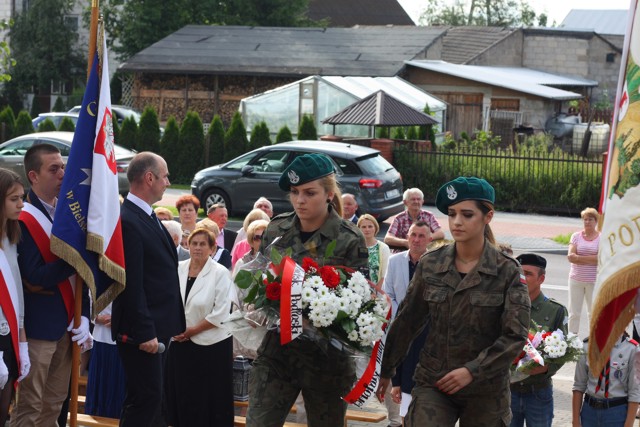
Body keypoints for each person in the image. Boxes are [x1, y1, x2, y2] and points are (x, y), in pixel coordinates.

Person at [376, 176, 530, 426]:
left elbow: (514, 336)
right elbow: (406, 321)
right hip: (434, 380)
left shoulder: (507, 271)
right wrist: (387, 370)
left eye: (467, 214)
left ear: (487, 216)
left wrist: (473, 370)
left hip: (486, 388)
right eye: (452, 213)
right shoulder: (431, 264)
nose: (457, 222)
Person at [246, 153, 368, 427]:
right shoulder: (276, 229)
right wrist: (260, 306)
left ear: (328, 194)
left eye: (309, 193)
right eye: (295, 192)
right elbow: (261, 278)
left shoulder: (349, 239)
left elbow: (361, 304)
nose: (300, 200)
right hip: (278, 355)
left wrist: (315, 321)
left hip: (327, 363)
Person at [12, 144, 92, 427]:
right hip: (38, 330)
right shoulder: (23, 217)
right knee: (30, 408)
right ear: (33, 176)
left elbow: (83, 276)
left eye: (63, 167)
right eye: (53, 169)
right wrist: (76, 258)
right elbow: (34, 276)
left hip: (69, 326)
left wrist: (85, 315)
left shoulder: (71, 214)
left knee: (54, 406)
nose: (62, 174)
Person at [112, 152, 186, 426]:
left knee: (154, 401)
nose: (168, 182)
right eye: (165, 176)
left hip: (158, 328)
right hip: (143, 333)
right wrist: (144, 332)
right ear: (149, 177)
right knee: (145, 400)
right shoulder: (129, 220)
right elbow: (132, 283)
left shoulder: (146, 216)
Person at [166, 227, 234, 426]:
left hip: (211, 345)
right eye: (194, 243)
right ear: (187, 245)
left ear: (212, 248)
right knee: (181, 394)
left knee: (207, 399)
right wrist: (174, 329)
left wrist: (190, 331)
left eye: (203, 244)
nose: (197, 248)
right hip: (179, 342)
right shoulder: (177, 268)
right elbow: (168, 301)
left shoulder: (220, 273)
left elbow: (221, 312)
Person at [511, 253, 568, 427]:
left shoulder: (555, 311)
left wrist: (545, 369)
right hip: (507, 391)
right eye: (519, 273)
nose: (522, 278)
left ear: (541, 278)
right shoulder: (506, 305)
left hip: (538, 392)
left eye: (528, 274)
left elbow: (564, 351)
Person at [383, 221, 431, 426]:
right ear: (407, 237)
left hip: (426, 330)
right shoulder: (394, 261)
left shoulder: (435, 263)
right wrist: (401, 317)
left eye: (422, 236)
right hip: (401, 327)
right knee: (402, 387)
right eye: (413, 235)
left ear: (429, 239)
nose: (417, 240)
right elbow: (388, 294)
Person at [0, 169, 29, 426]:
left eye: (22, 197)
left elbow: (16, 290)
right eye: (13, 199)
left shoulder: (11, 237)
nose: (21, 204)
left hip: (9, 336)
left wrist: (22, 342)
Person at [572, 333, 640, 427]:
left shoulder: (632, 349)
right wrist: (575, 421)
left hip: (616, 413)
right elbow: (578, 386)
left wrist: (629, 424)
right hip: (589, 412)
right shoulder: (587, 346)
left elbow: (635, 392)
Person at [85, 303, 125, 419]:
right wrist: (97, 318)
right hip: (101, 338)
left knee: (119, 394)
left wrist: (123, 320)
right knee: (98, 395)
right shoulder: (98, 283)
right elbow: (88, 303)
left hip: (125, 341)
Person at [567, 207, 600, 335]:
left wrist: (579, 258)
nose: (587, 222)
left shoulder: (601, 238)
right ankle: (572, 340)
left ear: (596, 221)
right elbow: (570, 256)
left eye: (590, 219)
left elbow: (600, 258)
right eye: (585, 219)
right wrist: (590, 259)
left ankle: (593, 341)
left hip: (593, 281)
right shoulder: (576, 236)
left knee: (593, 313)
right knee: (574, 312)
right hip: (576, 279)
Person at [357, 214, 390, 287]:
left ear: (375, 228)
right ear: (359, 229)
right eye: (363, 227)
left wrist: (376, 292)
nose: (367, 229)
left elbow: (385, 275)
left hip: (378, 292)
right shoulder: (354, 247)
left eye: (370, 226)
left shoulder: (383, 248)